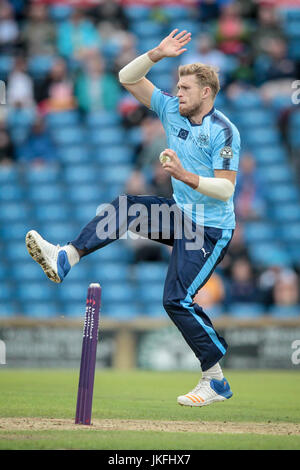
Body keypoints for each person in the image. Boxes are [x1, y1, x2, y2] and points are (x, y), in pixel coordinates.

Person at [25, 29, 240, 408]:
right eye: (177, 86)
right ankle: (66, 257)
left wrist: (185, 176)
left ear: (206, 93)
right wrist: (157, 53)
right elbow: (127, 78)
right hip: (180, 215)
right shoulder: (171, 109)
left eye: (186, 88)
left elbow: (225, 189)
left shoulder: (223, 130)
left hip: (210, 228)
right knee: (125, 208)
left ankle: (215, 380)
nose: (178, 93)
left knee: (176, 300)